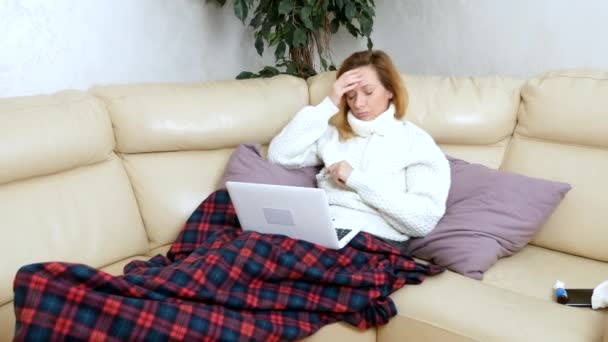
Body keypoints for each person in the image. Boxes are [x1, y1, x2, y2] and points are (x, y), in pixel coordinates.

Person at [267, 50, 450, 250]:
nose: (358, 104)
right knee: (251, 249)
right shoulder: (333, 134)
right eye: (350, 95)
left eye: (368, 92)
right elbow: (279, 155)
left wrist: (355, 179)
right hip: (325, 229)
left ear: (391, 91)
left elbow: (423, 220)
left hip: (376, 238)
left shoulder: (415, 141)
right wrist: (330, 102)